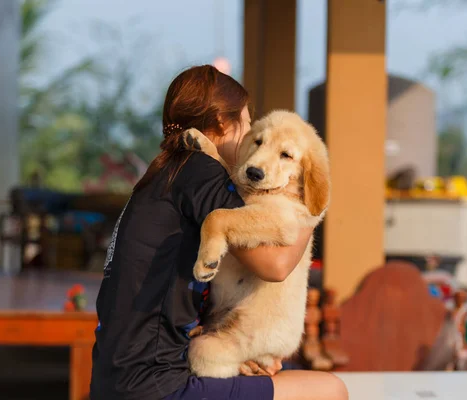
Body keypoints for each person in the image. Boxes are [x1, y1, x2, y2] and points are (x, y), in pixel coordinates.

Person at [90, 65, 348, 400]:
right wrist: (307, 208)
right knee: (329, 390)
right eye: (247, 122)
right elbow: (276, 265)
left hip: (120, 376)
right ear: (225, 123)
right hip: (154, 386)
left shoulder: (165, 171)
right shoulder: (200, 170)